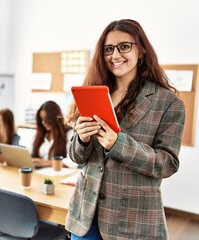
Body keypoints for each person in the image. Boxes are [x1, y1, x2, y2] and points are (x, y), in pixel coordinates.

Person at [64, 19, 185, 239]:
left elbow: (168, 164)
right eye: (108, 49)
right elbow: (75, 156)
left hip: (132, 219)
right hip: (85, 214)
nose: (115, 55)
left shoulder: (168, 103)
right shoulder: (93, 93)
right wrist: (80, 139)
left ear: (142, 50)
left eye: (124, 46)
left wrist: (118, 144)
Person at [31, 100, 77, 168]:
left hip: (58, 173)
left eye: (46, 119)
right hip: (39, 172)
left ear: (54, 118)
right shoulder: (40, 134)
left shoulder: (69, 134)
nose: (43, 122)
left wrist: (46, 163)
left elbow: (72, 162)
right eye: (41, 119)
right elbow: (31, 152)